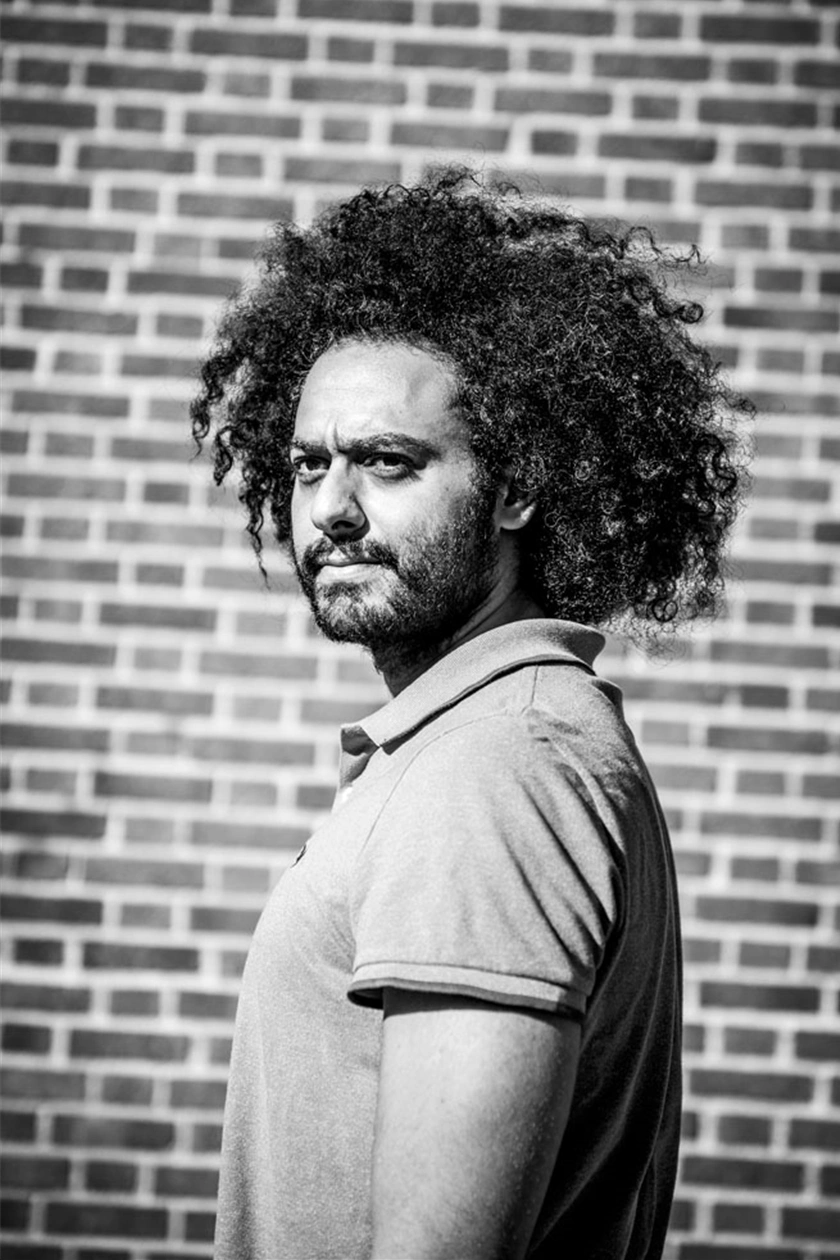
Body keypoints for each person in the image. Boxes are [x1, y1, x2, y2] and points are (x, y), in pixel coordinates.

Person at [191, 165, 748, 1260]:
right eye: (307, 465)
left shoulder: (495, 774)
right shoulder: (496, 740)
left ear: (517, 487)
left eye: (388, 462)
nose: (330, 509)